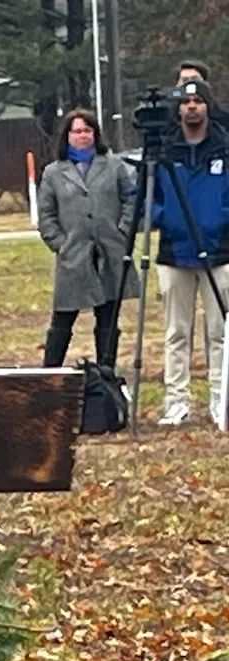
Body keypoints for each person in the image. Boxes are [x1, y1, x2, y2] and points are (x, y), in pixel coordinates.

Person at [151, 77, 229, 425]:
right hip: (175, 254)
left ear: (208, 106)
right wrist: (165, 218)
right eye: (186, 103)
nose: (192, 107)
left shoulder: (224, 150)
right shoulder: (165, 152)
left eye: (198, 102)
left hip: (219, 253)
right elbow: (148, 198)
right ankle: (177, 402)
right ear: (179, 109)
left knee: (219, 332)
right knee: (176, 333)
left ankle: (219, 399)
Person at [36, 108, 137, 368]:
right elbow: (46, 215)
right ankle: (49, 374)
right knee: (62, 319)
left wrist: (123, 231)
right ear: (67, 136)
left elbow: (130, 200)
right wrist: (60, 244)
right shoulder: (53, 172)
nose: (83, 136)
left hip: (109, 252)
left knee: (107, 319)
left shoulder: (113, 166)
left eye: (87, 130)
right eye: (77, 131)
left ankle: (106, 374)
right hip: (74, 255)